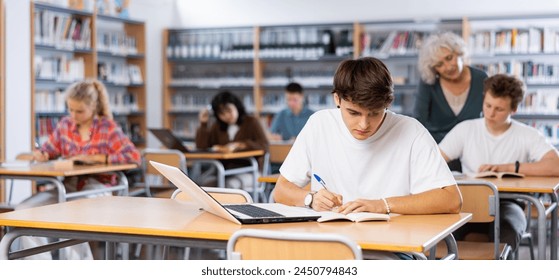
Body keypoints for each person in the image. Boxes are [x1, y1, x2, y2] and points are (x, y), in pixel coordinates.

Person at [273, 57, 462, 259]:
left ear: (388, 103)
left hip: (391, 251)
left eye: (374, 113)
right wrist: (310, 199)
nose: (364, 124)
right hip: (331, 245)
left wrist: (382, 205)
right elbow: (281, 190)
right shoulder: (319, 124)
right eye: (353, 112)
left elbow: (451, 199)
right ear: (337, 99)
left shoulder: (411, 131)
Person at [19, 79, 141, 259]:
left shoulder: (108, 128)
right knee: (25, 212)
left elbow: (134, 157)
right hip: (68, 187)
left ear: (93, 107)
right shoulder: (65, 125)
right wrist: (43, 154)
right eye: (70, 110)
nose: (73, 115)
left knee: (72, 214)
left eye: (80, 111)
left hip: (98, 188)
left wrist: (99, 158)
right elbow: (49, 149)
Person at [439, 74, 559, 255]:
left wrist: (510, 168)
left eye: (499, 109)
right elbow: (433, 161)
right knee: (441, 236)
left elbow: (555, 166)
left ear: (514, 109)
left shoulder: (527, 134)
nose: (490, 113)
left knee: (507, 235)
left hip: (509, 203)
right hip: (468, 204)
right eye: (487, 105)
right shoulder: (466, 129)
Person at [415, 32, 488, 172]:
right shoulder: (428, 83)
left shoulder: (481, 79)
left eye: (449, 58)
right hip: (438, 151)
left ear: (459, 52)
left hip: (473, 151)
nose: (448, 67)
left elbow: (489, 116)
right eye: (439, 64)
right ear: (433, 69)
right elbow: (419, 121)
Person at [196, 91, 269, 191]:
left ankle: (227, 207)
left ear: (236, 106)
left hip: (250, 170)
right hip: (226, 170)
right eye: (222, 114)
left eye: (229, 110)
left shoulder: (251, 122)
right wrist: (203, 124)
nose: (227, 116)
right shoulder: (218, 126)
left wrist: (242, 145)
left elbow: (264, 145)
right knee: (202, 184)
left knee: (228, 185)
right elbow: (202, 147)